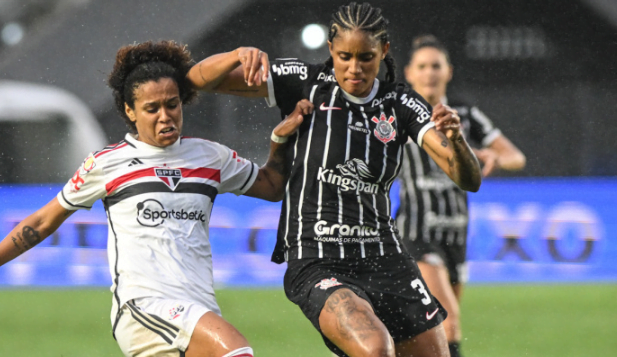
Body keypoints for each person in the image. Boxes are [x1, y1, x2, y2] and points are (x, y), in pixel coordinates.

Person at [0, 40, 304, 357]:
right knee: (236, 352)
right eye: (151, 108)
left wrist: (279, 141)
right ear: (129, 111)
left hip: (198, 306)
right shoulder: (107, 164)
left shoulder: (210, 156)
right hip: (144, 309)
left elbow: (272, 187)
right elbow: (41, 223)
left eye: (172, 104)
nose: (165, 116)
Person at [188, 3, 483, 356]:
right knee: (375, 348)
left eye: (366, 57)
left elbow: (468, 178)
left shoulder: (401, 102)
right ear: (330, 49)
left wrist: (459, 140)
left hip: (385, 256)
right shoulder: (303, 82)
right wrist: (236, 55)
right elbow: (196, 80)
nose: (354, 68)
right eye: (344, 56)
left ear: (384, 51)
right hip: (318, 259)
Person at [397, 34, 527, 357]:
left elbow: (516, 156)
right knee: (448, 323)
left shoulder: (465, 115)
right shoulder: (397, 114)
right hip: (415, 232)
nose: (430, 73)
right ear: (409, 73)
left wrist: (495, 157)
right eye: (422, 66)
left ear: (449, 72)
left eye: (436, 66)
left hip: (455, 232)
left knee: (429, 331)